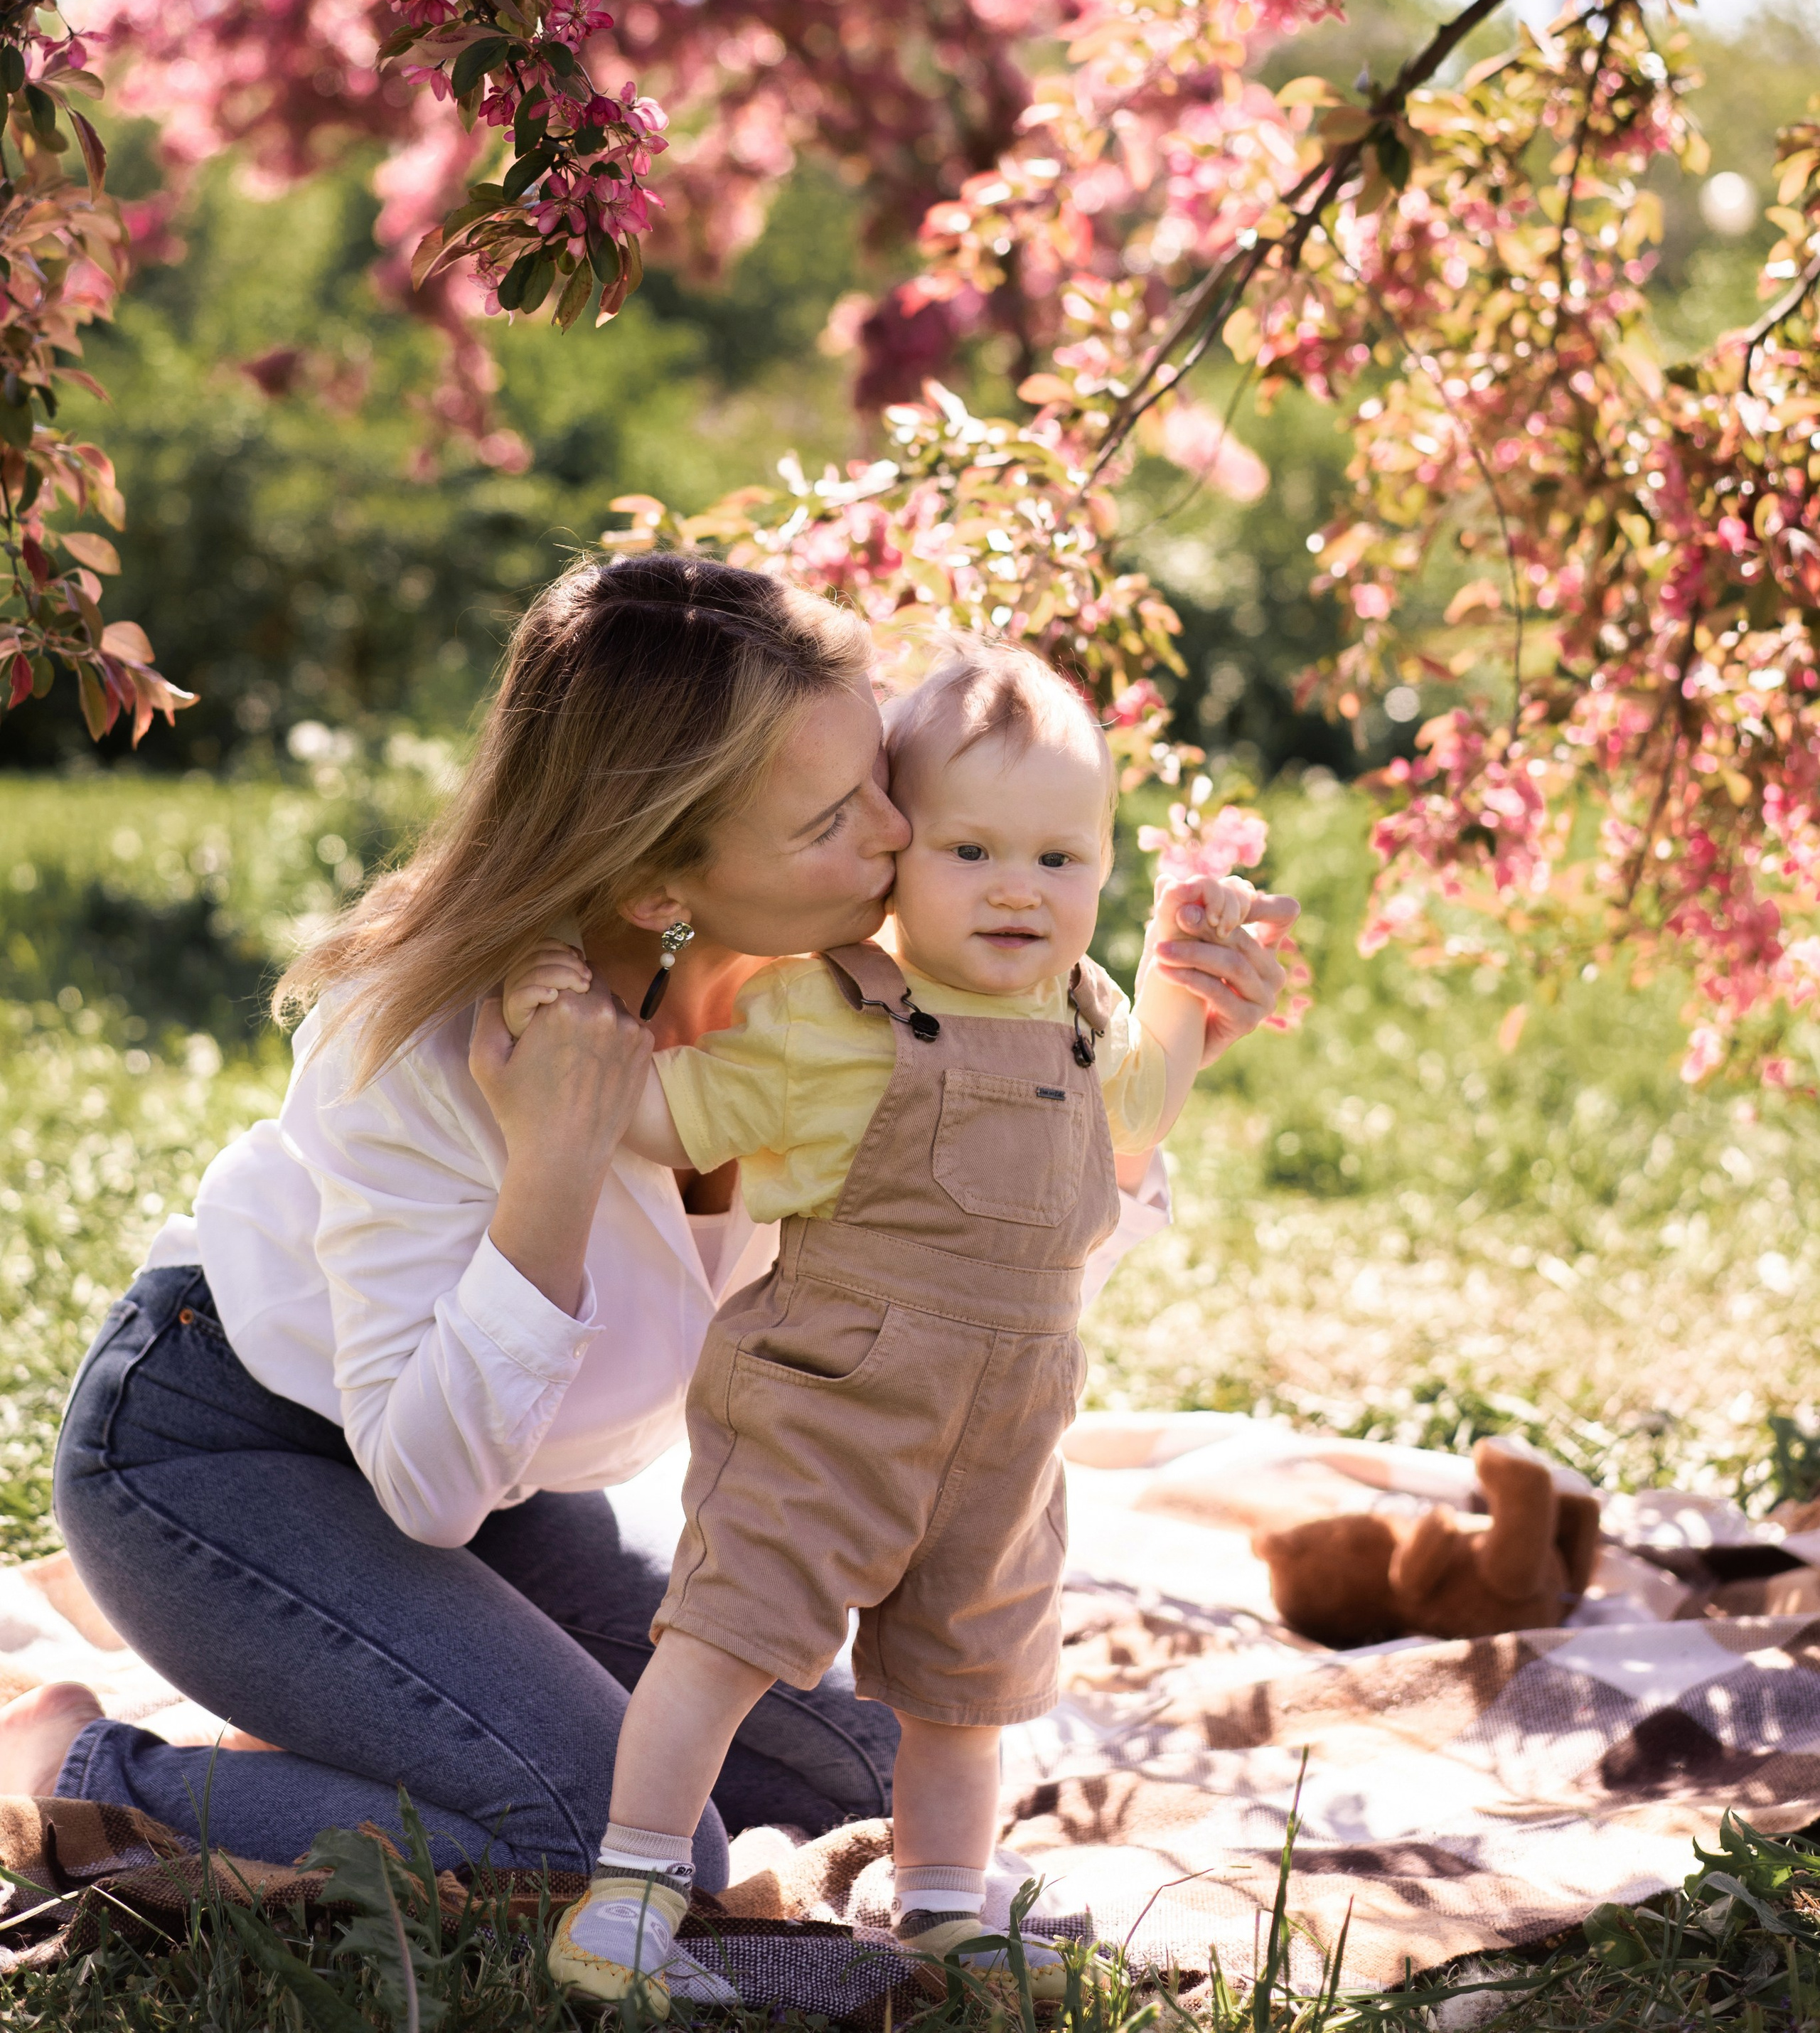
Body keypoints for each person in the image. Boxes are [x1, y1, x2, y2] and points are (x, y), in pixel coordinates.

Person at [6, 557, 1292, 1899]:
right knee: (621, 1847)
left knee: (859, 1775)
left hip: (502, 1500)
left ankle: (347, 1705)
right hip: (231, 1450)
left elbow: (971, 1259)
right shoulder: (426, 1048)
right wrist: (554, 1163)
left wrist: (1163, 1030)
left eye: (885, 787)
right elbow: (426, 1488)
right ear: (661, 885)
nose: (899, 835)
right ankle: (80, 1769)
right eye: (837, 820)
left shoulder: (837, 1013)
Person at [495, 644, 1296, 2007]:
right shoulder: (829, 1016)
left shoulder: (1085, 1016)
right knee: (724, 1641)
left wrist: (1176, 976)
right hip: (827, 1409)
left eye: (1062, 859)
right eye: (971, 847)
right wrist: (553, 1039)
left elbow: (1142, 1116)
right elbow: (664, 1118)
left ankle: (939, 1906)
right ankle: (627, 1890)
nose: (1017, 889)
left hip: (1003, 1438)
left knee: (962, 1694)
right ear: (893, 855)